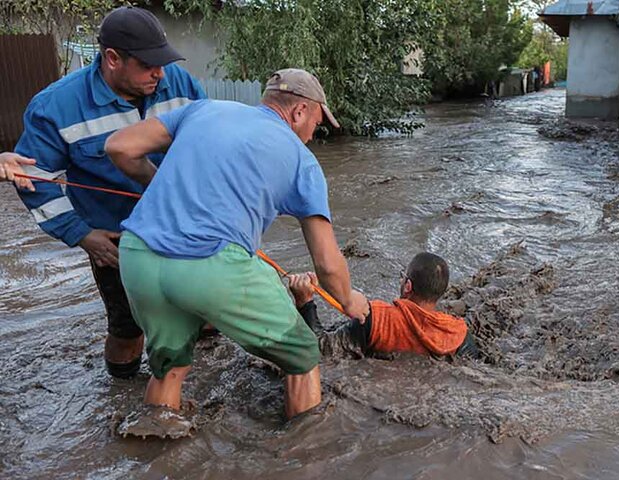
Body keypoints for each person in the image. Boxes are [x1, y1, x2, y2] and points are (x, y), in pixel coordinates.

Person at [104, 68, 370, 421]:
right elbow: (326, 263)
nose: (312, 135)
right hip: (209, 266)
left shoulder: (203, 109)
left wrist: (157, 184)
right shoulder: (302, 160)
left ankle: (157, 455)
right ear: (299, 111)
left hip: (137, 256)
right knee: (304, 354)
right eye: (316, 124)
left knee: (169, 368)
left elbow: (119, 146)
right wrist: (349, 300)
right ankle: (308, 458)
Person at [13, 7, 206, 379]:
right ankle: (120, 393)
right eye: (149, 65)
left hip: (183, 225)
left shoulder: (178, 84)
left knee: (203, 308)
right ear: (112, 59)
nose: (160, 74)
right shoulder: (56, 107)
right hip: (116, 240)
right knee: (127, 329)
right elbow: (36, 179)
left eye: (163, 62)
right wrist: (82, 235)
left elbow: (207, 144)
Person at [288, 252, 479, 359]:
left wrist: (305, 302)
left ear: (408, 286)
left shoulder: (376, 319)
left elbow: (321, 350)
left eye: (403, 277)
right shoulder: (459, 334)